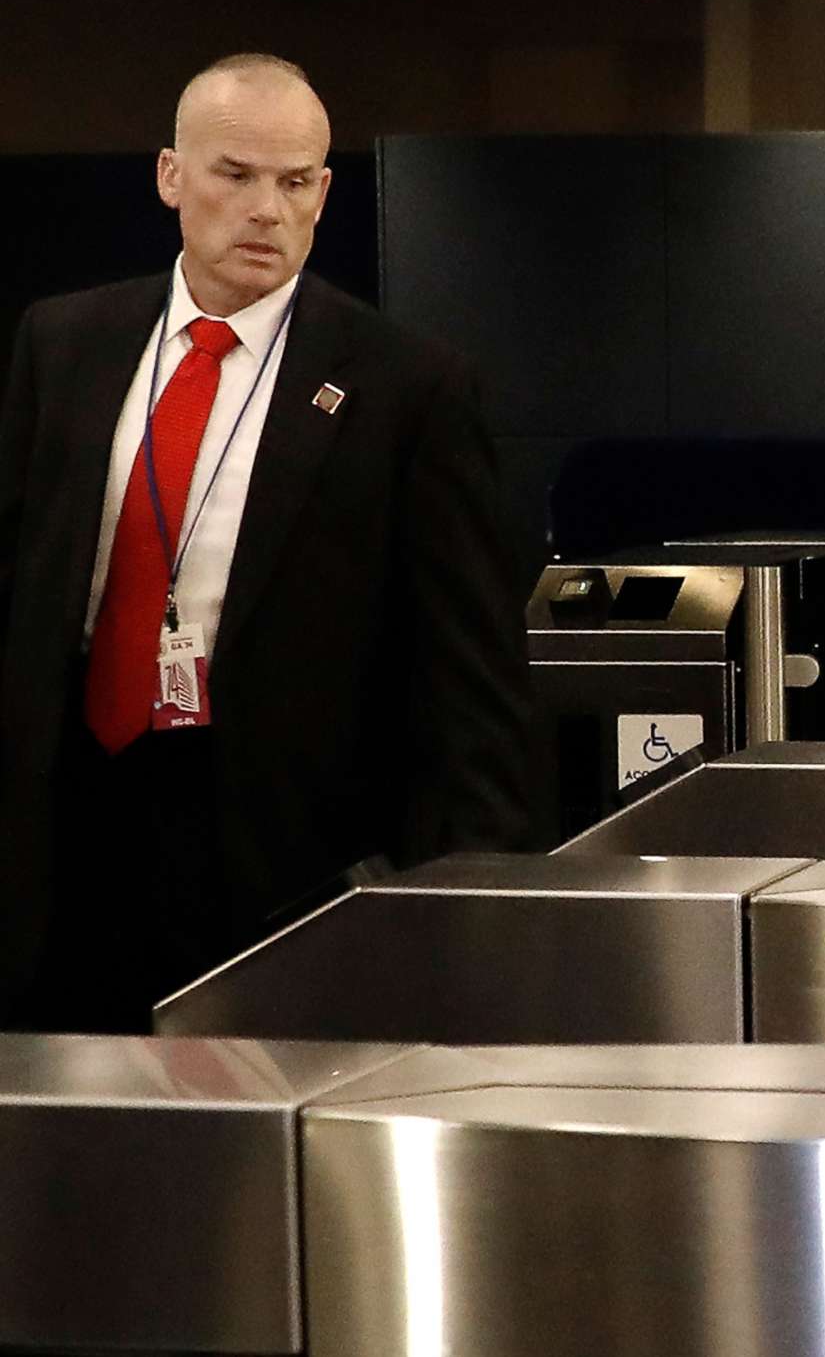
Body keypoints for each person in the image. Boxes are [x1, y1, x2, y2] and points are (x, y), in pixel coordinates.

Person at [0, 53, 539, 1031]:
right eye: (234, 175)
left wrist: (476, 908)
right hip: (72, 827)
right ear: (171, 176)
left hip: (276, 846)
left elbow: (474, 683)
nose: (266, 210)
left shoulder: (403, 386)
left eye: (295, 183)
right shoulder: (64, 343)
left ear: (326, 193)